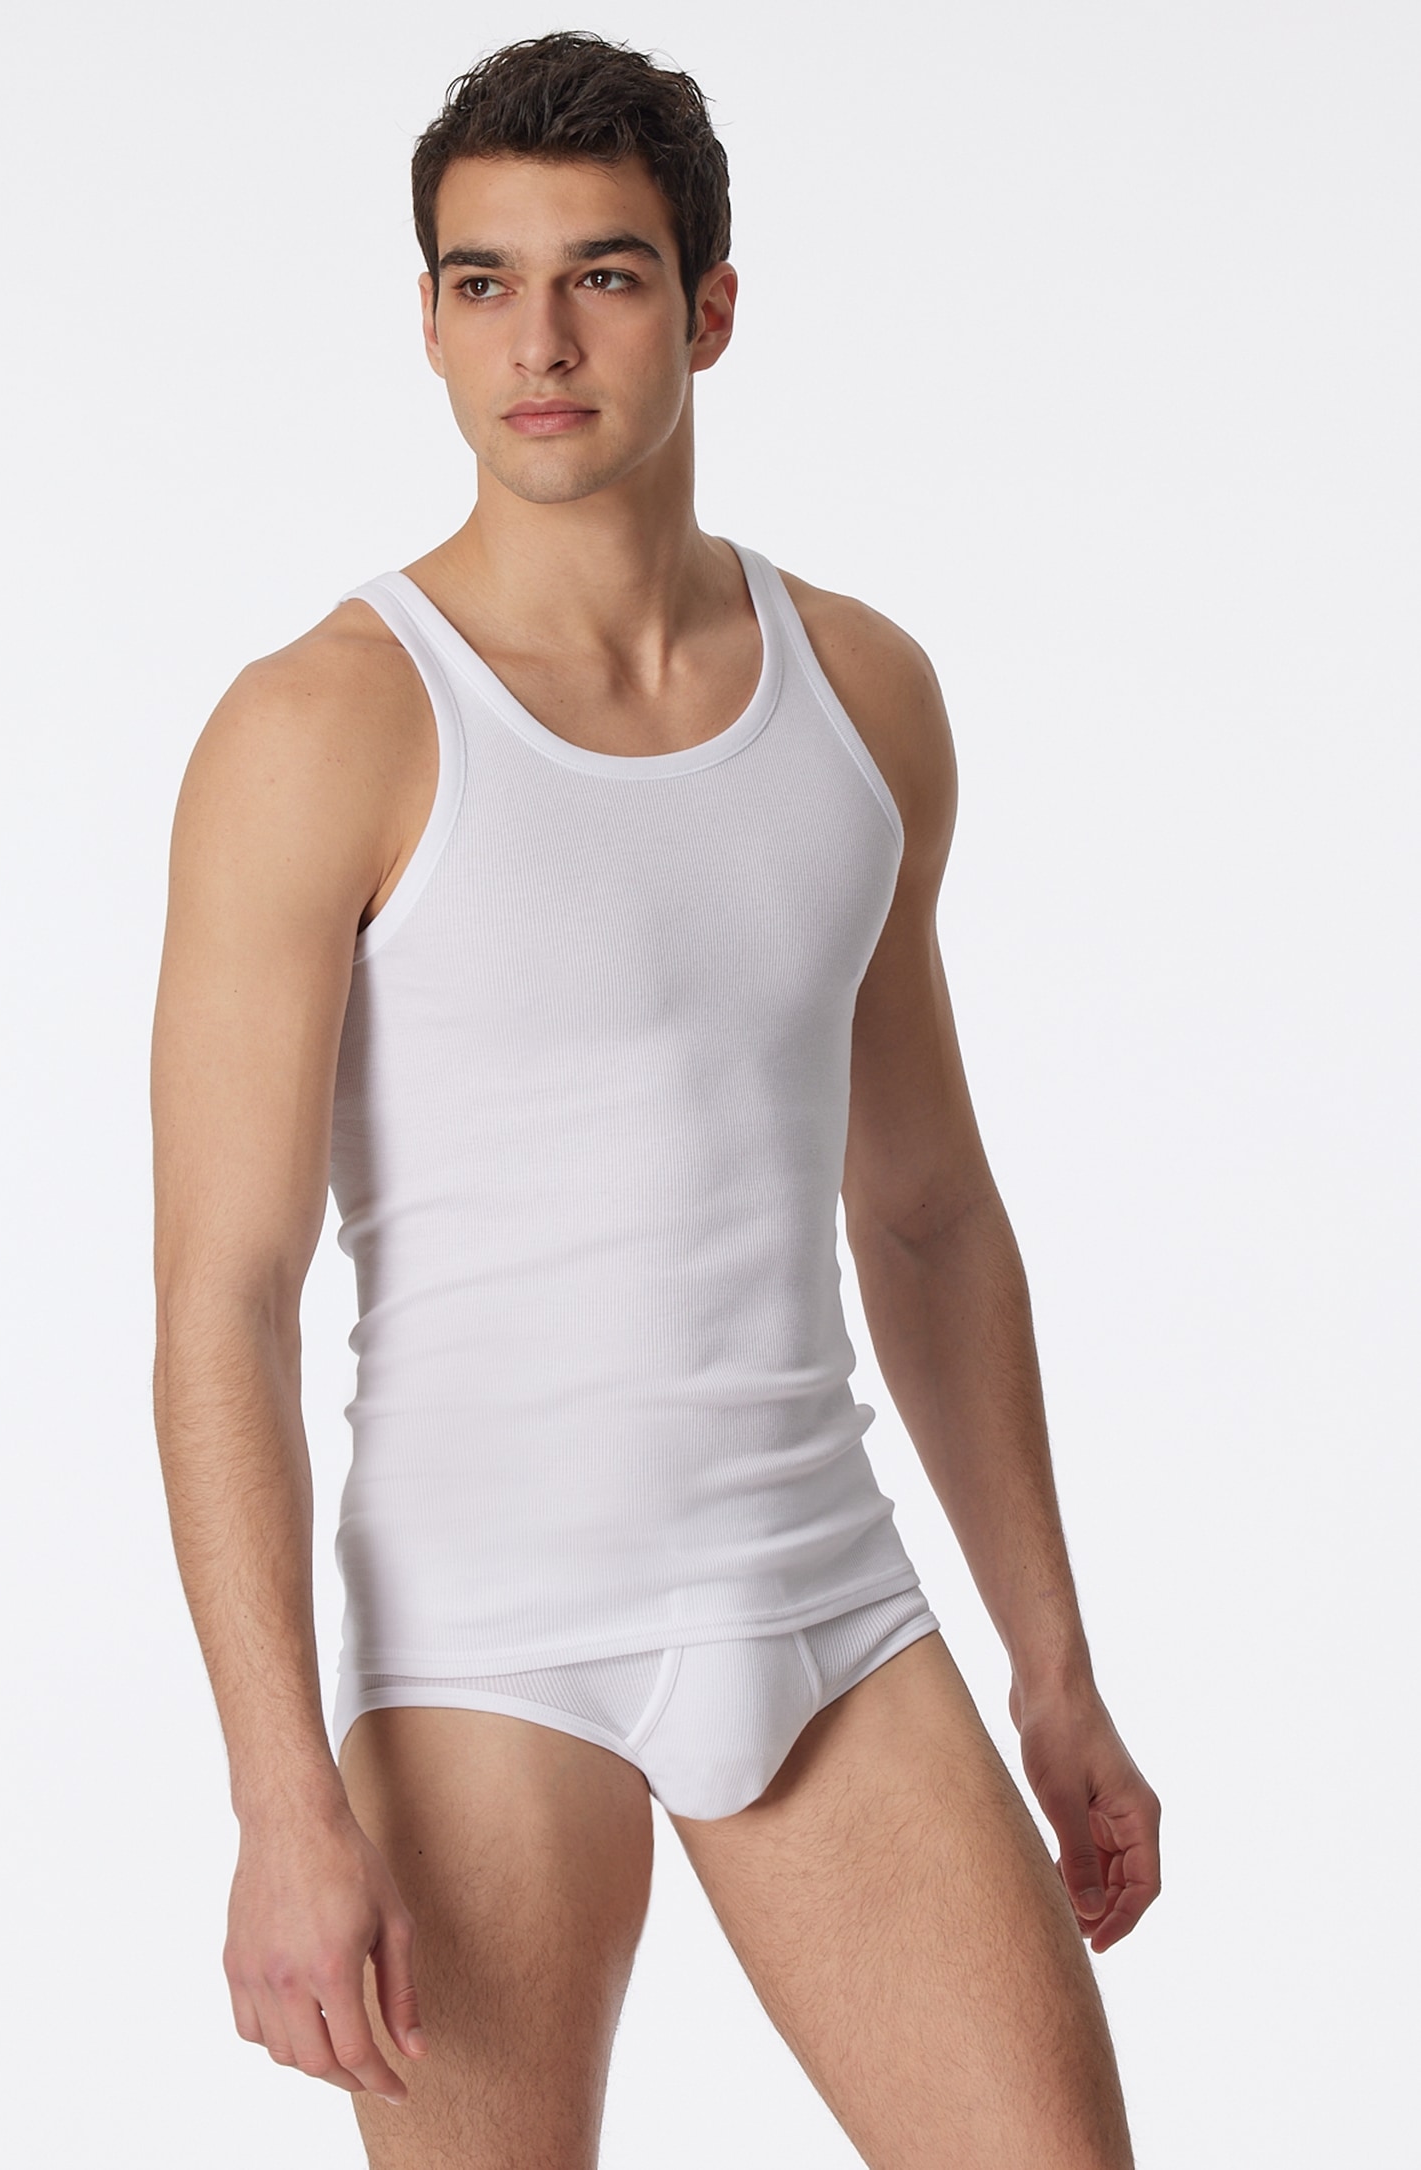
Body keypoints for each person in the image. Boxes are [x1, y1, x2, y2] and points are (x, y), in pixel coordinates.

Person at [150, 29, 1160, 2170]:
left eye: (602, 277)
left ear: (708, 309)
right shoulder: (323, 726)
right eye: (484, 281)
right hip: (481, 1646)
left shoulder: (862, 692)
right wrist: (278, 1794)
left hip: (821, 1592)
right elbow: (223, 1295)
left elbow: (927, 1211)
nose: (539, 340)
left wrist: (1053, 1662)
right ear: (429, 318)